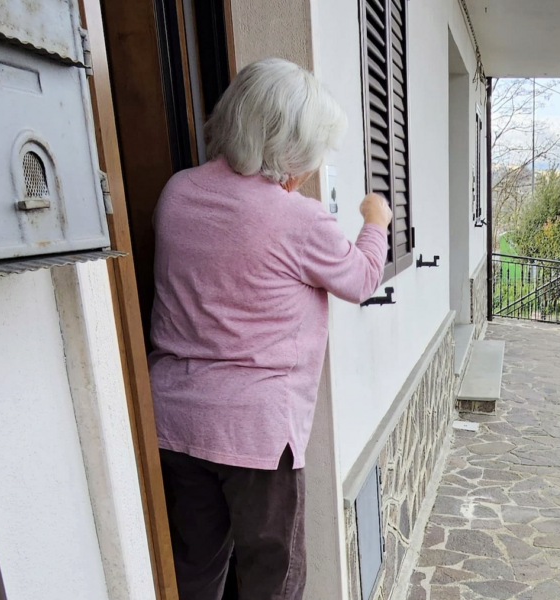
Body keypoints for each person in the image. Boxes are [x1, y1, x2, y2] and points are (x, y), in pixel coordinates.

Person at [149, 57, 392, 600]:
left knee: (193, 571)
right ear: (288, 148)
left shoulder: (177, 192)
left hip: (173, 420)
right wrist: (375, 220)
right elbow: (361, 279)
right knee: (272, 579)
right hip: (255, 434)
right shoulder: (297, 218)